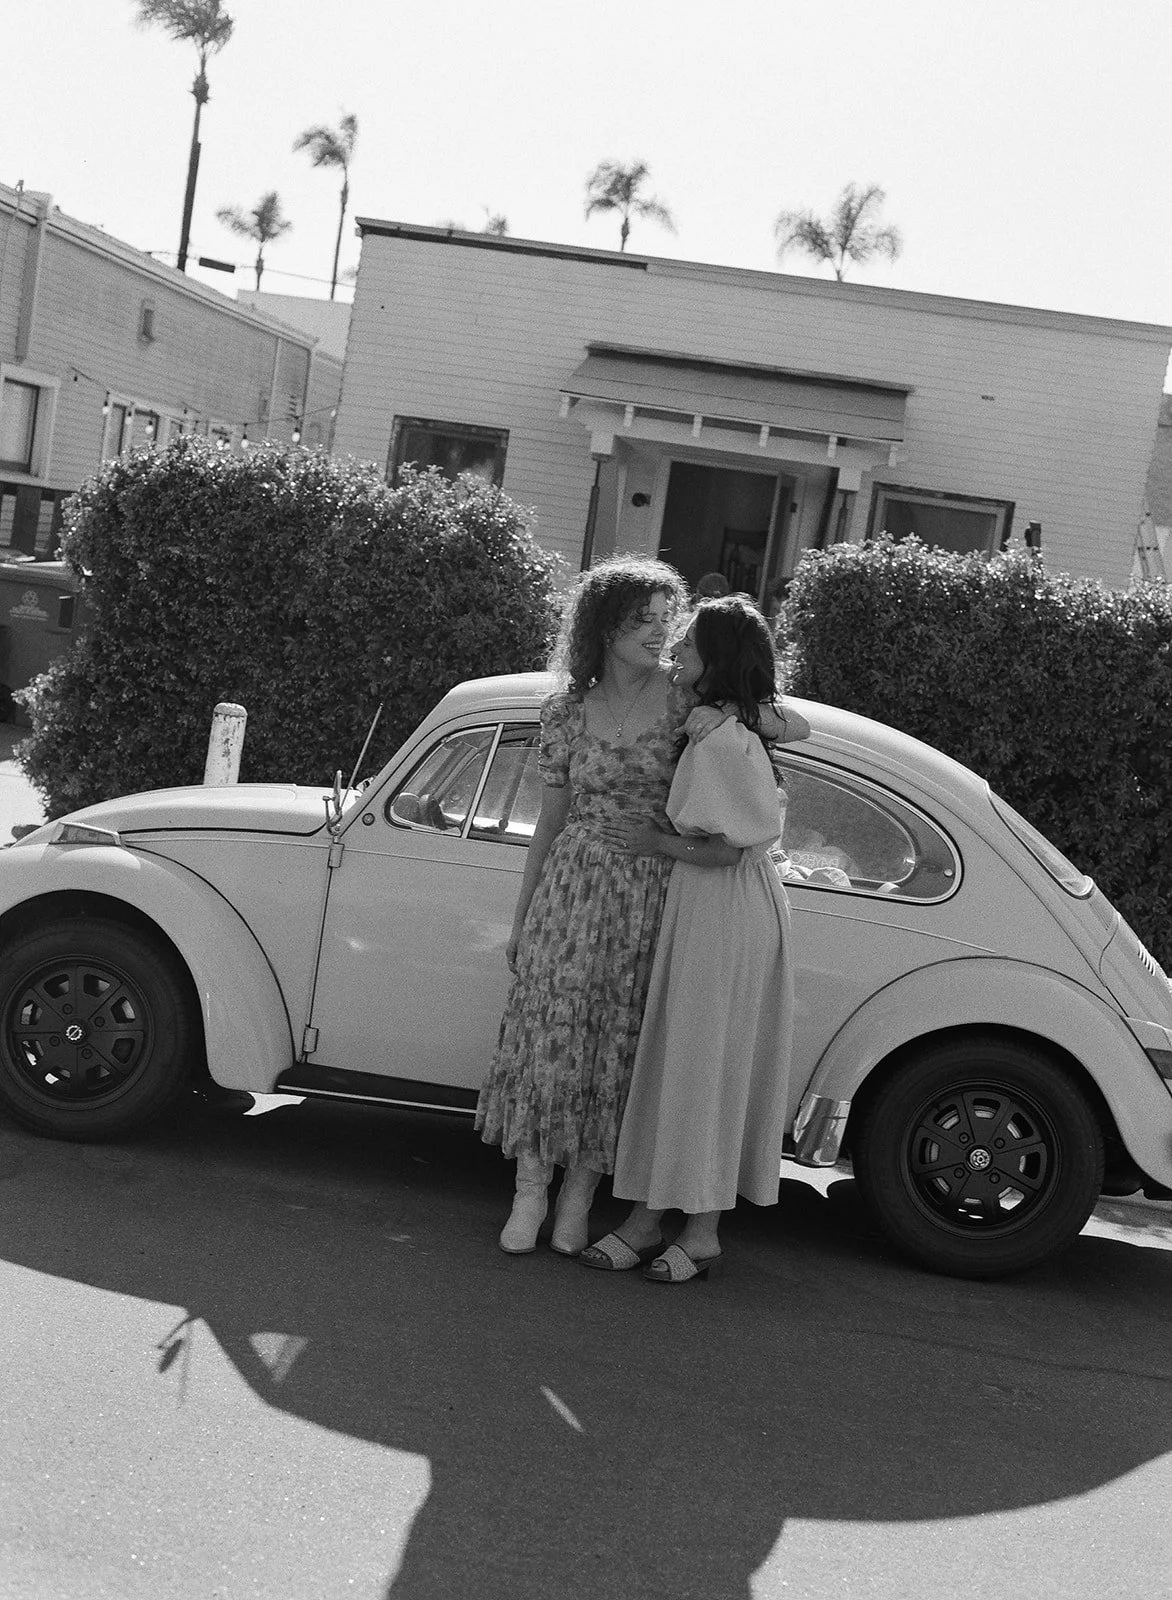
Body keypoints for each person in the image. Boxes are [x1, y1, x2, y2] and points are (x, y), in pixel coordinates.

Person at [581, 595, 808, 1283]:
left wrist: (655, 842)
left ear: (716, 664)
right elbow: (788, 721)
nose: (675, 657)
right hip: (708, 906)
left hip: (723, 904)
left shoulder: (726, 737)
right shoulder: (718, 725)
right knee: (681, 1059)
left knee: (703, 1063)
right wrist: (736, 709)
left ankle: (697, 1228)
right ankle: (654, 1217)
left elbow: (728, 851)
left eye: (688, 650)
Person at [475, 555, 690, 1255]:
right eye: (642, 620)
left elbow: (765, 740)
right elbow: (550, 821)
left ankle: (579, 1199)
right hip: (571, 887)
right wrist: (522, 915)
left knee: (616, 1049)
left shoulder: (689, 703)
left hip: (650, 893)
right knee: (551, 1043)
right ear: (605, 624)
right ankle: (530, 1193)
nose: (659, 633)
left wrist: (666, 842)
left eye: (666, 619)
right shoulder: (568, 709)